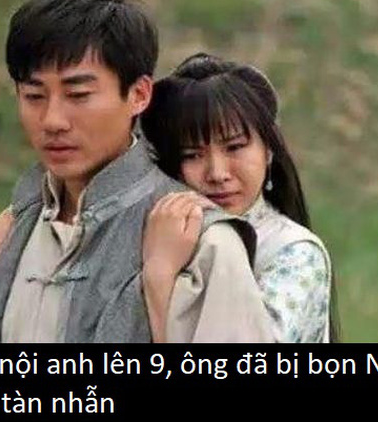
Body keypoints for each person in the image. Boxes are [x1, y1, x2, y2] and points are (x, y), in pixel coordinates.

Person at [0, 0, 275, 343]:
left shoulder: (203, 242)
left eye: (78, 95)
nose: (52, 120)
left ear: (139, 94)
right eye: (34, 96)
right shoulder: (16, 231)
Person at [140, 53, 337, 343]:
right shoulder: (155, 231)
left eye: (234, 147)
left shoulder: (293, 253)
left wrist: (160, 275)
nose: (217, 173)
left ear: (268, 150)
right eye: (192, 155)